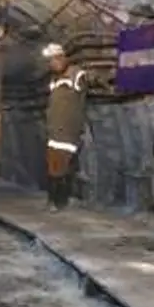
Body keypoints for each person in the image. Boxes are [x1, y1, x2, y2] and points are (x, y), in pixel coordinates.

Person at [43, 42, 91, 213]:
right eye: (50, 61)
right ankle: (54, 200)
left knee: (63, 168)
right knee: (53, 168)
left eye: (54, 60)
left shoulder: (76, 75)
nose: (52, 64)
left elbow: (82, 101)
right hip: (54, 131)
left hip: (68, 132)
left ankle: (59, 201)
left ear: (62, 58)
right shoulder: (54, 80)